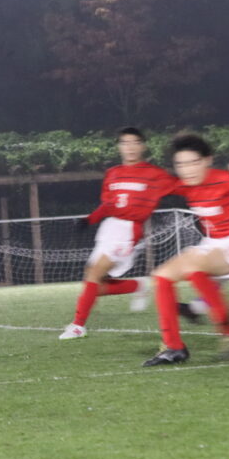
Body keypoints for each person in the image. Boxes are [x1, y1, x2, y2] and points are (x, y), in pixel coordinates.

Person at [143, 133, 229, 367]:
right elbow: (156, 184)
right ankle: (175, 347)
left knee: (193, 263)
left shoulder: (227, 181)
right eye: (180, 164)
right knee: (161, 276)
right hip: (213, 245)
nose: (187, 170)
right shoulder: (186, 185)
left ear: (207, 160)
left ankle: (227, 325)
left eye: (193, 162)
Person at [59, 127, 177, 340]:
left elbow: (181, 186)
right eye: (125, 143)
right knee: (94, 283)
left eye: (134, 142)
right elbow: (108, 205)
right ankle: (138, 285)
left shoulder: (154, 174)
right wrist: (89, 220)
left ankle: (78, 325)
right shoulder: (112, 173)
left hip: (128, 231)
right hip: (109, 228)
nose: (130, 147)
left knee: (94, 275)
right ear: (119, 147)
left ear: (142, 146)